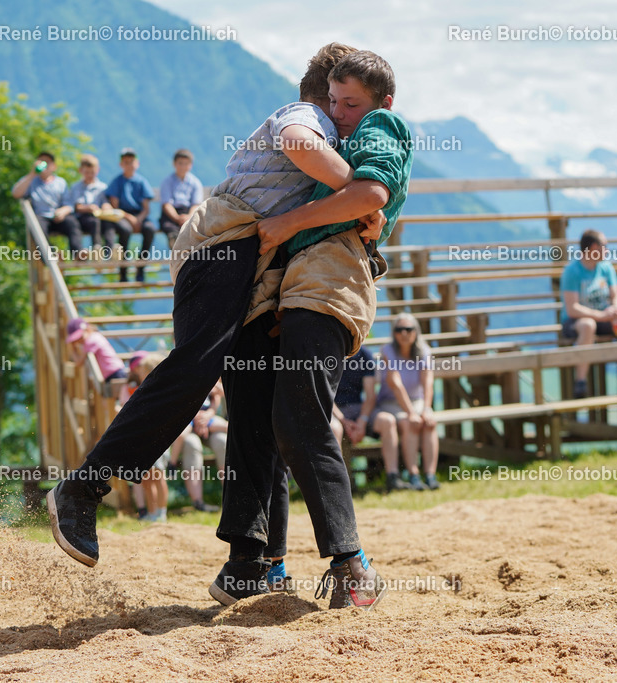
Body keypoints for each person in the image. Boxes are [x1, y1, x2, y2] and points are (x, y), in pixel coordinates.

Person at [46, 43, 386, 593]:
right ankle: (82, 488)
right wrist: (362, 194)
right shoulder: (307, 115)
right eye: (341, 102)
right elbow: (300, 142)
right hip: (222, 248)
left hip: (255, 269)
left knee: (256, 409)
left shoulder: (329, 127)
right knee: (197, 366)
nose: (346, 115)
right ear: (326, 95)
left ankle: (248, 563)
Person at [211, 49, 412, 610]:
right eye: (334, 102)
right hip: (302, 281)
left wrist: (286, 223)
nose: (340, 114)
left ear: (381, 103)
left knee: (297, 418)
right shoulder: (341, 139)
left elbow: (371, 195)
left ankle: (352, 564)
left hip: (332, 277)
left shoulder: (382, 124)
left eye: (350, 103)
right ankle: (263, 564)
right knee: (272, 420)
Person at [561, 230, 617, 398]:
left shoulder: (606, 267)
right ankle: (580, 381)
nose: (607, 250)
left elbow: (616, 296)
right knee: (588, 325)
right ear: (594, 247)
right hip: (576, 322)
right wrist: (601, 315)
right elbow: (572, 308)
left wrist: (616, 310)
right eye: (605, 246)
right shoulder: (572, 271)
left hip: (604, 318)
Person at [373, 314, 440, 491]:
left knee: (430, 423)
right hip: (391, 402)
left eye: (409, 329)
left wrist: (427, 409)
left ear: (416, 331)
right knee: (409, 423)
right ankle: (413, 474)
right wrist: (411, 413)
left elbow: (428, 382)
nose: (404, 333)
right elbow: (395, 385)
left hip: (417, 401)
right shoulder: (387, 350)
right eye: (399, 330)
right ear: (393, 333)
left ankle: (430, 475)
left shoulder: (424, 350)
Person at [330, 346, 406, 491]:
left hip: (359, 408)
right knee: (334, 429)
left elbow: (370, 395)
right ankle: (339, 485)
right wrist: (343, 420)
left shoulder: (364, 354)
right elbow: (325, 396)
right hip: (334, 411)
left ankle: (393, 477)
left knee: (387, 421)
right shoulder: (326, 353)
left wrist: (362, 421)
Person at [117, 352, 170, 522]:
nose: (139, 374)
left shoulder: (162, 389)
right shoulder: (140, 388)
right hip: (143, 438)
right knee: (146, 477)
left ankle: (161, 512)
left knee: (158, 476)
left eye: (143, 371)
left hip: (158, 438)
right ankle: (152, 512)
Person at [64, 154, 132, 280]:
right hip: (83, 218)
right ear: (81, 171)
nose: (90, 175)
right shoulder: (77, 187)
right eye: (87, 172)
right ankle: (97, 252)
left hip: (100, 216)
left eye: (92, 172)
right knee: (95, 222)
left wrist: (106, 206)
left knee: (108, 224)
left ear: (97, 171)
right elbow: (76, 206)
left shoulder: (102, 187)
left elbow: (105, 201)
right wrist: (88, 208)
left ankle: (110, 253)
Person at [11, 151, 85, 260]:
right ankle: (52, 256)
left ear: (54, 166)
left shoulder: (60, 182)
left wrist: (63, 211)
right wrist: (32, 173)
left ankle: (78, 253)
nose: (44, 164)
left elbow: (69, 204)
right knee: (37, 229)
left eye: (47, 162)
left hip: (58, 217)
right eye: (41, 161)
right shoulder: (31, 181)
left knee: (72, 223)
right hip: (41, 217)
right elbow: (16, 193)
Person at [170, 380, 227, 513]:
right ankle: (198, 502)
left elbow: (219, 394)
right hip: (187, 419)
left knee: (223, 441)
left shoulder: (211, 376)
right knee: (192, 444)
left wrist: (206, 416)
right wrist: (195, 417)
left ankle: (231, 499)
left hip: (208, 420)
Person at [105, 148, 157, 282]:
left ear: (137, 163)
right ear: (121, 164)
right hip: (121, 216)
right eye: (126, 162)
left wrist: (138, 219)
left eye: (131, 161)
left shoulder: (141, 182)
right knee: (125, 230)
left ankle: (141, 266)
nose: (129, 165)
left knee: (150, 229)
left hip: (139, 215)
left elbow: (146, 208)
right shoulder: (117, 182)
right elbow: (115, 207)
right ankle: (123, 269)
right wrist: (130, 218)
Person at [158, 149, 204, 249]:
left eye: (186, 163)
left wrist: (188, 216)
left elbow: (196, 204)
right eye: (180, 163)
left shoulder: (195, 182)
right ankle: (174, 243)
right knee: (170, 227)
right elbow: (166, 204)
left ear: (190, 165)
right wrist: (177, 218)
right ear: (174, 164)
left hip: (189, 212)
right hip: (171, 213)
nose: (183, 166)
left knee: (196, 226)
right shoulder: (167, 181)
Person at [66, 317, 127, 383]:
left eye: (80, 337)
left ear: (87, 329)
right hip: (113, 372)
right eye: (76, 339)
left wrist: (73, 349)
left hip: (114, 373)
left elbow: (79, 362)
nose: (79, 341)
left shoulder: (91, 341)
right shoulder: (95, 336)